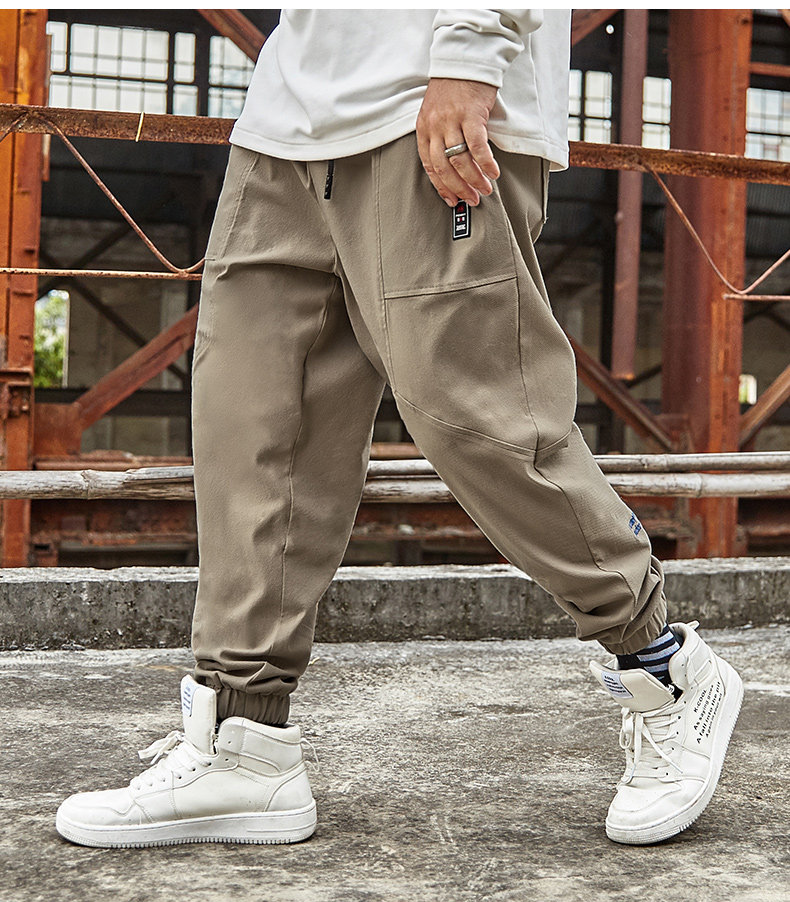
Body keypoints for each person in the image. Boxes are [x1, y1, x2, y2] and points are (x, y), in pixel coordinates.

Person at [56, 9, 743, 850]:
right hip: (284, 120)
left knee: (478, 419)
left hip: (429, 99)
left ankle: (665, 669)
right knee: (252, 429)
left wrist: (471, 52)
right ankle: (244, 741)